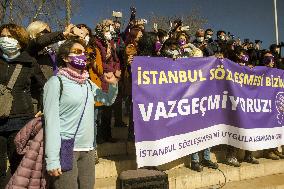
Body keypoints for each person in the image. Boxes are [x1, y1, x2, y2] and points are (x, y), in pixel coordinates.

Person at [44, 38, 118, 189]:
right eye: (77, 52)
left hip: (89, 149)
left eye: (84, 53)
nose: (83, 56)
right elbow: (50, 122)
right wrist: (51, 159)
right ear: (65, 57)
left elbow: (107, 100)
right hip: (66, 148)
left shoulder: (87, 82)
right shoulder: (55, 83)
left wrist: (113, 84)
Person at [0, 23, 46, 175]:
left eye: (10, 36)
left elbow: (44, 86)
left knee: (19, 166)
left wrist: (42, 108)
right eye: (3, 36)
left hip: (20, 120)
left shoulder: (29, 61)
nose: (5, 39)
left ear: (19, 40)